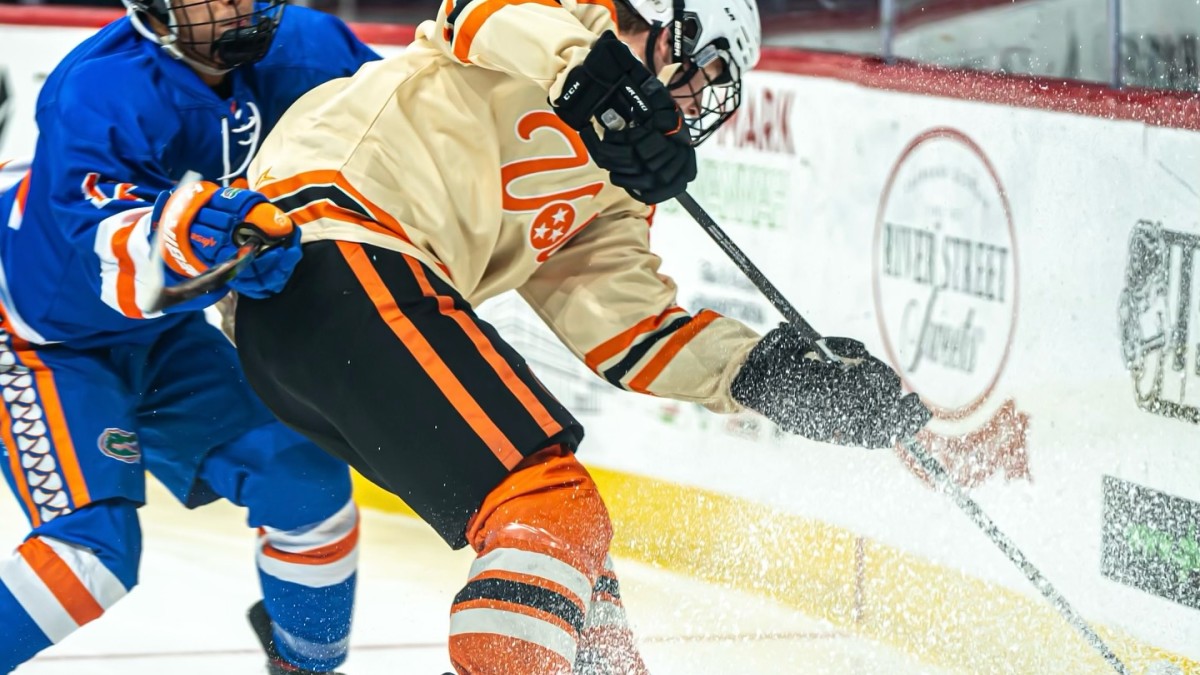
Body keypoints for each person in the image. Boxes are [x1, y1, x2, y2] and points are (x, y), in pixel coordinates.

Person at [151, 0, 932, 672]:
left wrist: (773, 373)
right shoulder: (562, 18)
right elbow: (477, 15)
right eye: (704, 65)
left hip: (323, 320)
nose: (700, 95)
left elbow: (633, 330)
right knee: (556, 510)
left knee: (576, 560)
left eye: (716, 87)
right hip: (331, 252)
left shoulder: (618, 181)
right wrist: (589, 77)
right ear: (664, 23)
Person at [0, 0, 378, 673]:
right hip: (35, 333)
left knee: (309, 486)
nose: (237, 10)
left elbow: (402, 128)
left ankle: (304, 665)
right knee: (90, 553)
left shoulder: (308, 45)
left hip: (162, 332)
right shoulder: (97, 91)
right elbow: (113, 262)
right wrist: (208, 234)